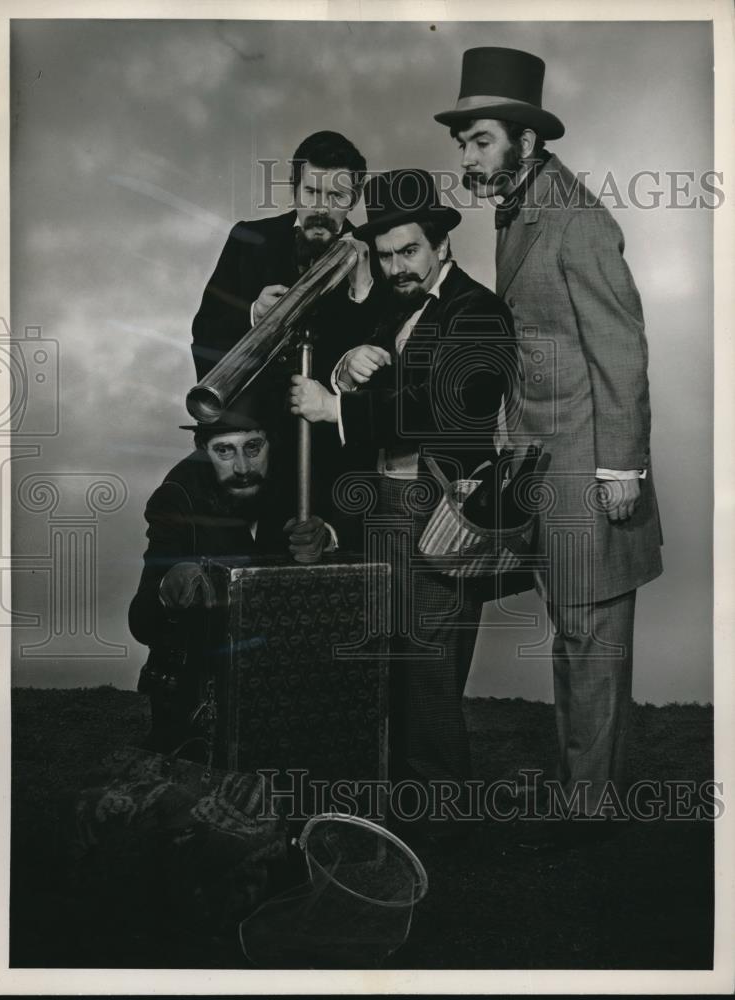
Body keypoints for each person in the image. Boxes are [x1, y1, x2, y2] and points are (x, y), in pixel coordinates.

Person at [435, 47, 664, 837]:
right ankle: (579, 786)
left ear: (527, 143)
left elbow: (623, 350)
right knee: (572, 634)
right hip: (546, 466)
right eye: (462, 142)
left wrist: (621, 467)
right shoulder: (520, 208)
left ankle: (589, 809)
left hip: (591, 469)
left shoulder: (576, 220)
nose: (466, 156)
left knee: (591, 639)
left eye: (481, 141)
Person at [288, 168, 521, 823]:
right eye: (385, 256)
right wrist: (348, 363)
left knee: (428, 674)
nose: (397, 267)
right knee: (385, 665)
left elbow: (444, 407)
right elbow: (364, 362)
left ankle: (443, 820)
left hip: (439, 510)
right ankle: (396, 807)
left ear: (441, 242)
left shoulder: (479, 310)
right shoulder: (394, 305)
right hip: (379, 508)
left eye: (409, 251)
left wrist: (336, 408)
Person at [190, 131, 375, 537]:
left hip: (338, 464)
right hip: (257, 459)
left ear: (355, 200)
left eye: (337, 197)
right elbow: (204, 333)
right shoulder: (248, 239)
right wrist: (253, 314)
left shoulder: (376, 253)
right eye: (311, 192)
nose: (321, 208)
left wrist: (363, 294)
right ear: (294, 190)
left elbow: (386, 365)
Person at [129, 387, 333, 756]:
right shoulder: (175, 498)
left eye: (253, 448)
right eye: (224, 451)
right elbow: (142, 623)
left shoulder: (299, 483)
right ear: (201, 448)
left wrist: (328, 539)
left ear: (272, 442)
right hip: (202, 682)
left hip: (283, 682)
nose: (242, 468)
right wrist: (168, 590)